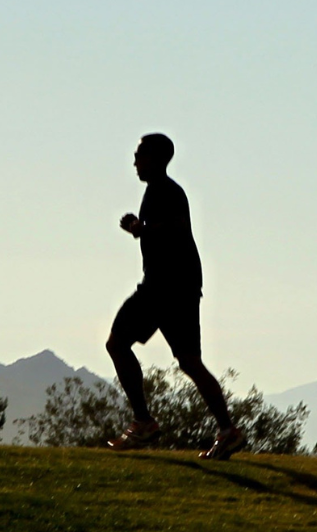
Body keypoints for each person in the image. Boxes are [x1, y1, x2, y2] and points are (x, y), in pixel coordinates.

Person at [105, 133, 246, 460]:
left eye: (140, 155)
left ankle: (144, 422)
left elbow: (178, 227)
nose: (135, 161)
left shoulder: (166, 191)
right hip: (178, 286)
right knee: (189, 362)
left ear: (156, 159)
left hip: (164, 287)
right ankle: (228, 431)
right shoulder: (159, 192)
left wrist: (141, 230)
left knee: (117, 344)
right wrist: (141, 228)